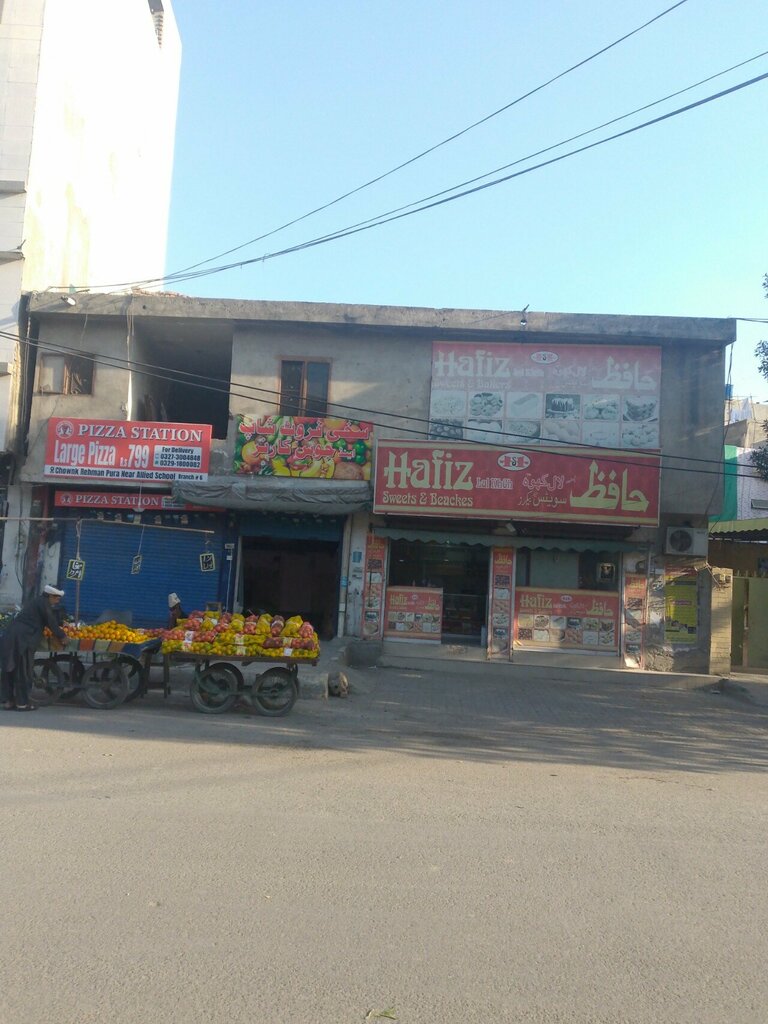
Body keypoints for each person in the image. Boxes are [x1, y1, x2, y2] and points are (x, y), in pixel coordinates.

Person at [1, 585, 67, 711]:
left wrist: (60, 624)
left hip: (12, 636)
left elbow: (48, 619)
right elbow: (50, 621)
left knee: (10, 669)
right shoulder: (43, 604)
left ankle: (8, 701)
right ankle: (22, 704)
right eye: (57, 598)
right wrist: (62, 635)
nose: (58, 601)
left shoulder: (38, 602)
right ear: (51, 596)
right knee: (23, 671)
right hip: (23, 640)